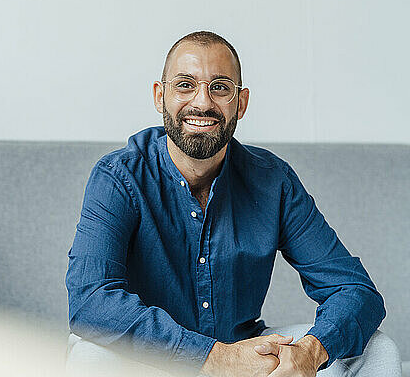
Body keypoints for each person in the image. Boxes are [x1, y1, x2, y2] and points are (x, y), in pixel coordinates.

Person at [64, 31, 401, 377]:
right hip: (151, 361)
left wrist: (310, 352)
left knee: (376, 350)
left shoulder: (273, 180)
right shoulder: (118, 177)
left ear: (240, 103)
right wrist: (210, 357)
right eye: (185, 85)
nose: (202, 103)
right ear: (159, 96)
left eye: (220, 87)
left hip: (246, 355)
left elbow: (355, 290)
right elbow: (91, 299)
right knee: (91, 354)